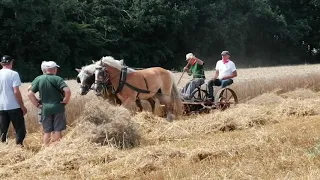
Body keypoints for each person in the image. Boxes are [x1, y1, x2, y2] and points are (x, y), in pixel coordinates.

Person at [27, 61, 71, 146]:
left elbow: (30, 94)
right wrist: (66, 100)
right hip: (58, 107)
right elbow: (67, 90)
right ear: (54, 69)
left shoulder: (39, 79)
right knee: (57, 129)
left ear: (46, 69)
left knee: (47, 131)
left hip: (45, 108)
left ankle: (46, 148)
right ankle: (57, 147)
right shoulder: (58, 79)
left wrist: (37, 104)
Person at [0, 55, 27, 146]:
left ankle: (3, 147)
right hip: (14, 106)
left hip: (1, 107)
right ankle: (19, 146)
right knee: (19, 128)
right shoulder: (14, 74)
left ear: (1, 64)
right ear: (11, 63)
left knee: (2, 130)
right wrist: (22, 106)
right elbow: (16, 91)